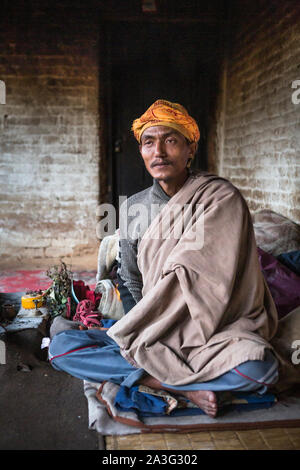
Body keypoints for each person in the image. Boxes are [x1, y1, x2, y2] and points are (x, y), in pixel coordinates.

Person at [49, 99, 279, 418]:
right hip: (153, 329)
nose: (159, 151)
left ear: (190, 148)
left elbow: (234, 282)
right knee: (62, 345)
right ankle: (170, 383)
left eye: (170, 140)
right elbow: (130, 282)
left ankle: (155, 378)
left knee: (262, 368)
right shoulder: (132, 211)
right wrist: (142, 332)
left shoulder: (222, 199)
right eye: (148, 142)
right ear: (142, 151)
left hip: (213, 330)